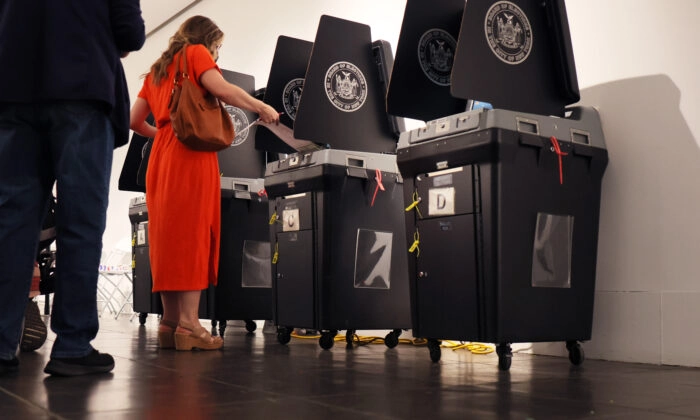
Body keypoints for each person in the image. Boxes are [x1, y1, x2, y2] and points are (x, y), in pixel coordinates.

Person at [0, 1, 145, 377]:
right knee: (80, 221)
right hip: (82, 84)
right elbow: (129, 33)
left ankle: (1, 343)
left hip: (13, 89)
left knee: (12, 224)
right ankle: (72, 345)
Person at [129, 16, 280, 351]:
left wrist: (163, 134)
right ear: (207, 40)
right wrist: (260, 106)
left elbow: (134, 120)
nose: (216, 53)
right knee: (194, 234)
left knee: (168, 237)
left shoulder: (157, 69)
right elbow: (222, 89)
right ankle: (191, 326)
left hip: (161, 158)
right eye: (218, 47)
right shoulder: (196, 53)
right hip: (190, 156)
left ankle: (169, 323)